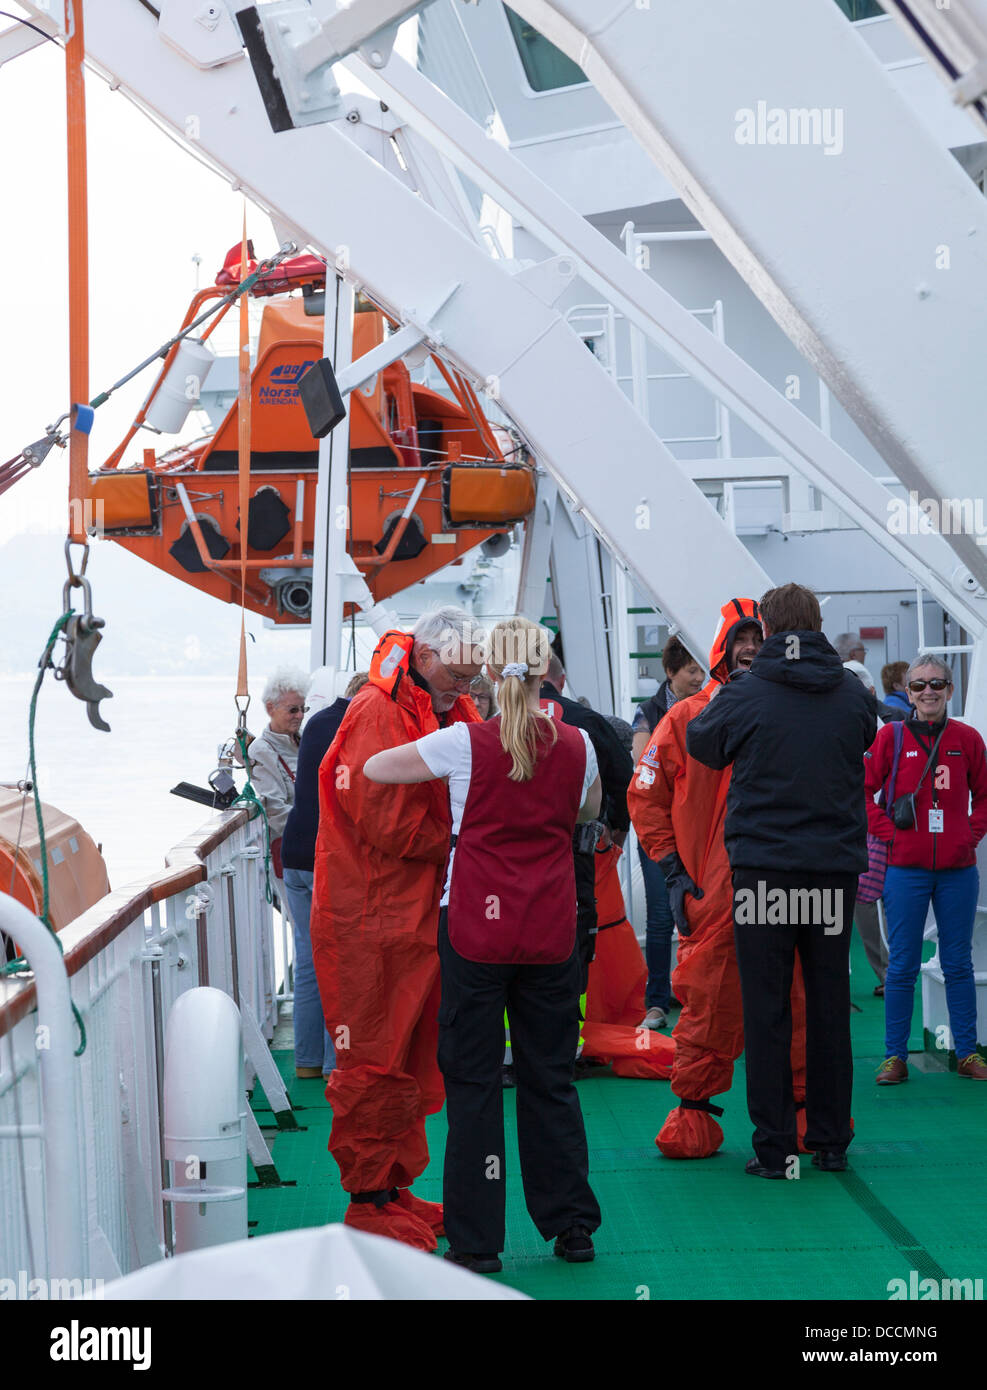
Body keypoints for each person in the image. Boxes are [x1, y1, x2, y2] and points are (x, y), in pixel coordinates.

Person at [364, 617, 603, 1271]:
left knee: (472, 1086)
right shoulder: (578, 744)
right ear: (549, 669)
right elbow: (586, 814)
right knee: (549, 1080)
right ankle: (571, 1228)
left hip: (474, 931)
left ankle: (477, 1241)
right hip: (550, 931)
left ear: (491, 674)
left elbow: (375, 768)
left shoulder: (462, 743)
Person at [310, 607, 485, 1251]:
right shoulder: (379, 713)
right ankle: (367, 1200)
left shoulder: (447, 705)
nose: (461, 693)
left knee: (412, 1058)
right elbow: (385, 820)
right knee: (373, 1059)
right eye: (454, 681)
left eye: (467, 684)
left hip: (420, 908)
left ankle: (395, 1185)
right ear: (428, 657)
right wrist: (467, 840)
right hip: (370, 916)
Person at [687, 584, 875, 1177]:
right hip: (831, 869)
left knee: (767, 1009)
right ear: (818, 625)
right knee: (827, 1006)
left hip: (766, 869)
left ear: (765, 629)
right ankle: (830, 1140)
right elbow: (864, 739)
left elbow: (705, 745)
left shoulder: (748, 692)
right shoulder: (852, 693)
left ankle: (775, 1148)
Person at [629, 598, 809, 1158]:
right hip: (716, 891)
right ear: (722, 649)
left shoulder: (796, 711)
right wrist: (673, 872)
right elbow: (646, 795)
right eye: (740, 640)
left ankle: (802, 1113)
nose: (750, 648)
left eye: (759, 638)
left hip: (785, 881)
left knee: (797, 1003)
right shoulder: (686, 718)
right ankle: (695, 1114)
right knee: (707, 1000)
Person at [865, 654, 987, 1084]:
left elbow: (985, 796)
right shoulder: (892, 738)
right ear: (909, 692)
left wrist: (968, 835)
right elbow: (861, 792)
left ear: (950, 690)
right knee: (901, 965)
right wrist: (889, 835)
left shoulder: (968, 739)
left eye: (937, 684)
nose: (928, 692)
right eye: (919, 685)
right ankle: (894, 1057)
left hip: (957, 869)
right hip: (905, 869)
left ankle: (968, 1052)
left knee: (957, 963)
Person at [281, 672, 368, 1080]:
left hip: (295, 853)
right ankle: (340, 1061)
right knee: (342, 960)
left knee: (309, 959)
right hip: (327, 855)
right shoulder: (362, 723)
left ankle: (307, 1062)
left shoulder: (316, 721)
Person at [540, 654, 634, 997]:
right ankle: (572, 1034)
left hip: (510, 862)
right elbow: (625, 781)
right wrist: (617, 832)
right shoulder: (588, 720)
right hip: (577, 855)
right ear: (560, 680)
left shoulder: (493, 722)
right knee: (576, 940)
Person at [630, 634, 704, 1029]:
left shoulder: (711, 707)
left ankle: (701, 997)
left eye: (702, 670)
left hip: (700, 826)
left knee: (706, 912)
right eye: (691, 670)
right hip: (660, 830)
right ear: (671, 672)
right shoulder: (649, 712)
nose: (698, 677)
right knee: (660, 915)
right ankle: (657, 1002)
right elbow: (643, 767)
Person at [247, 667, 310, 886]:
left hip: (316, 851)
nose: (300, 716)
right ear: (270, 708)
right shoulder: (262, 750)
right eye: (293, 710)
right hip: (292, 852)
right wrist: (316, 832)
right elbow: (274, 807)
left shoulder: (304, 741)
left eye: (303, 708)